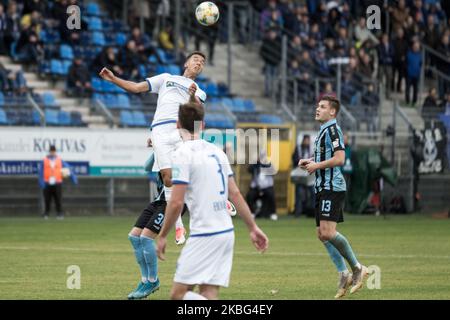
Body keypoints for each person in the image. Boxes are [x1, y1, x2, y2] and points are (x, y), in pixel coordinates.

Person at [156, 103, 269, 300]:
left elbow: (175, 203)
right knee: (208, 293)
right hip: (226, 233)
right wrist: (252, 227)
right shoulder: (217, 151)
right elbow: (235, 194)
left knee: (178, 295)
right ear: (203, 125)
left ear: (177, 124)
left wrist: (163, 235)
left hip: (204, 234)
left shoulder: (182, 153)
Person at [99, 51, 208, 245]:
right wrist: (113, 79)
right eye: (195, 59)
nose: (198, 63)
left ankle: (214, 197)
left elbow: (198, 112)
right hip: (159, 131)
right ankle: (179, 224)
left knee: (190, 169)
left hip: (178, 129)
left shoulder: (197, 89)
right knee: (168, 179)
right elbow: (136, 88)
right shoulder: (166, 78)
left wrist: (192, 97)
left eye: (202, 62)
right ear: (186, 63)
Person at [298, 96, 368, 299]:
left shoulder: (333, 130)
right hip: (322, 187)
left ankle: (356, 268)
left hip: (332, 187)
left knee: (328, 232)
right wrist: (309, 161)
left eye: (322, 106)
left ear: (333, 112)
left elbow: (340, 159)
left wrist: (316, 166)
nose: (317, 109)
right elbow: (325, 157)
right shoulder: (322, 131)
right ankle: (344, 273)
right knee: (322, 234)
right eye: (317, 105)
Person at [126, 148, 188, 300]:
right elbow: (147, 167)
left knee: (146, 238)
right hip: (158, 202)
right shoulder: (162, 154)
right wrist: (156, 149)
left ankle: (153, 281)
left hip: (171, 202)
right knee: (134, 237)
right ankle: (145, 280)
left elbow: (174, 180)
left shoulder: (179, 155)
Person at [38, 145, 78, 220]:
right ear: (49, 151)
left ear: (55, 151)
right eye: (51, 151)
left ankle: (59, 213)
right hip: (47, 182)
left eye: (53, 151)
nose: (52, 152)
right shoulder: (44, 160)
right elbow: (41, 172)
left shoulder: (59, 160)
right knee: (47, 199)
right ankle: (46, 213)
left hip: (57, 182)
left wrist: (73, 177)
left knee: (58, 199)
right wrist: (41, 181)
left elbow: (67, 168)